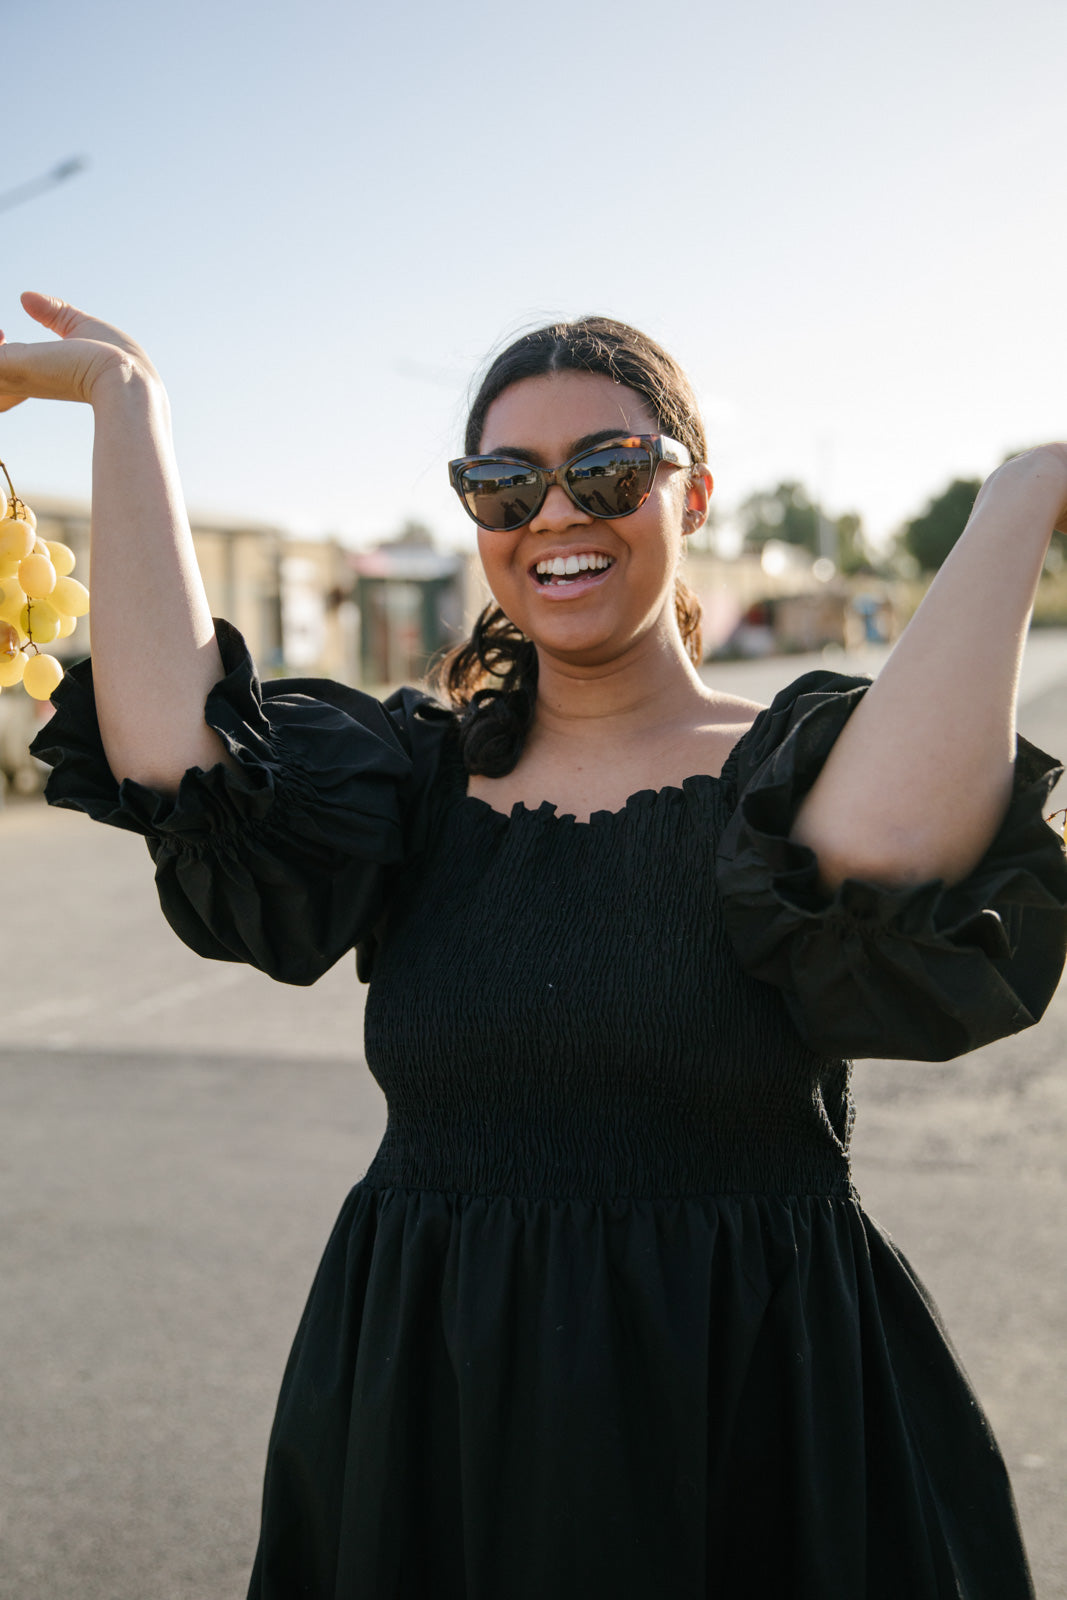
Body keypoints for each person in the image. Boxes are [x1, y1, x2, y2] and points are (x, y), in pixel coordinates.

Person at [2, 293, 1066, 1600]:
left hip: (752, 1419)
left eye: (609, 471)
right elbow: (178, 758)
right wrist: (124, 400)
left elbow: (892, 854)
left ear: (697, 495)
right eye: (504, 486)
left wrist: (1027, 488)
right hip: (431, 1412)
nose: (555, 515)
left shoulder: (791, 773)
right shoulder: (409, 777)